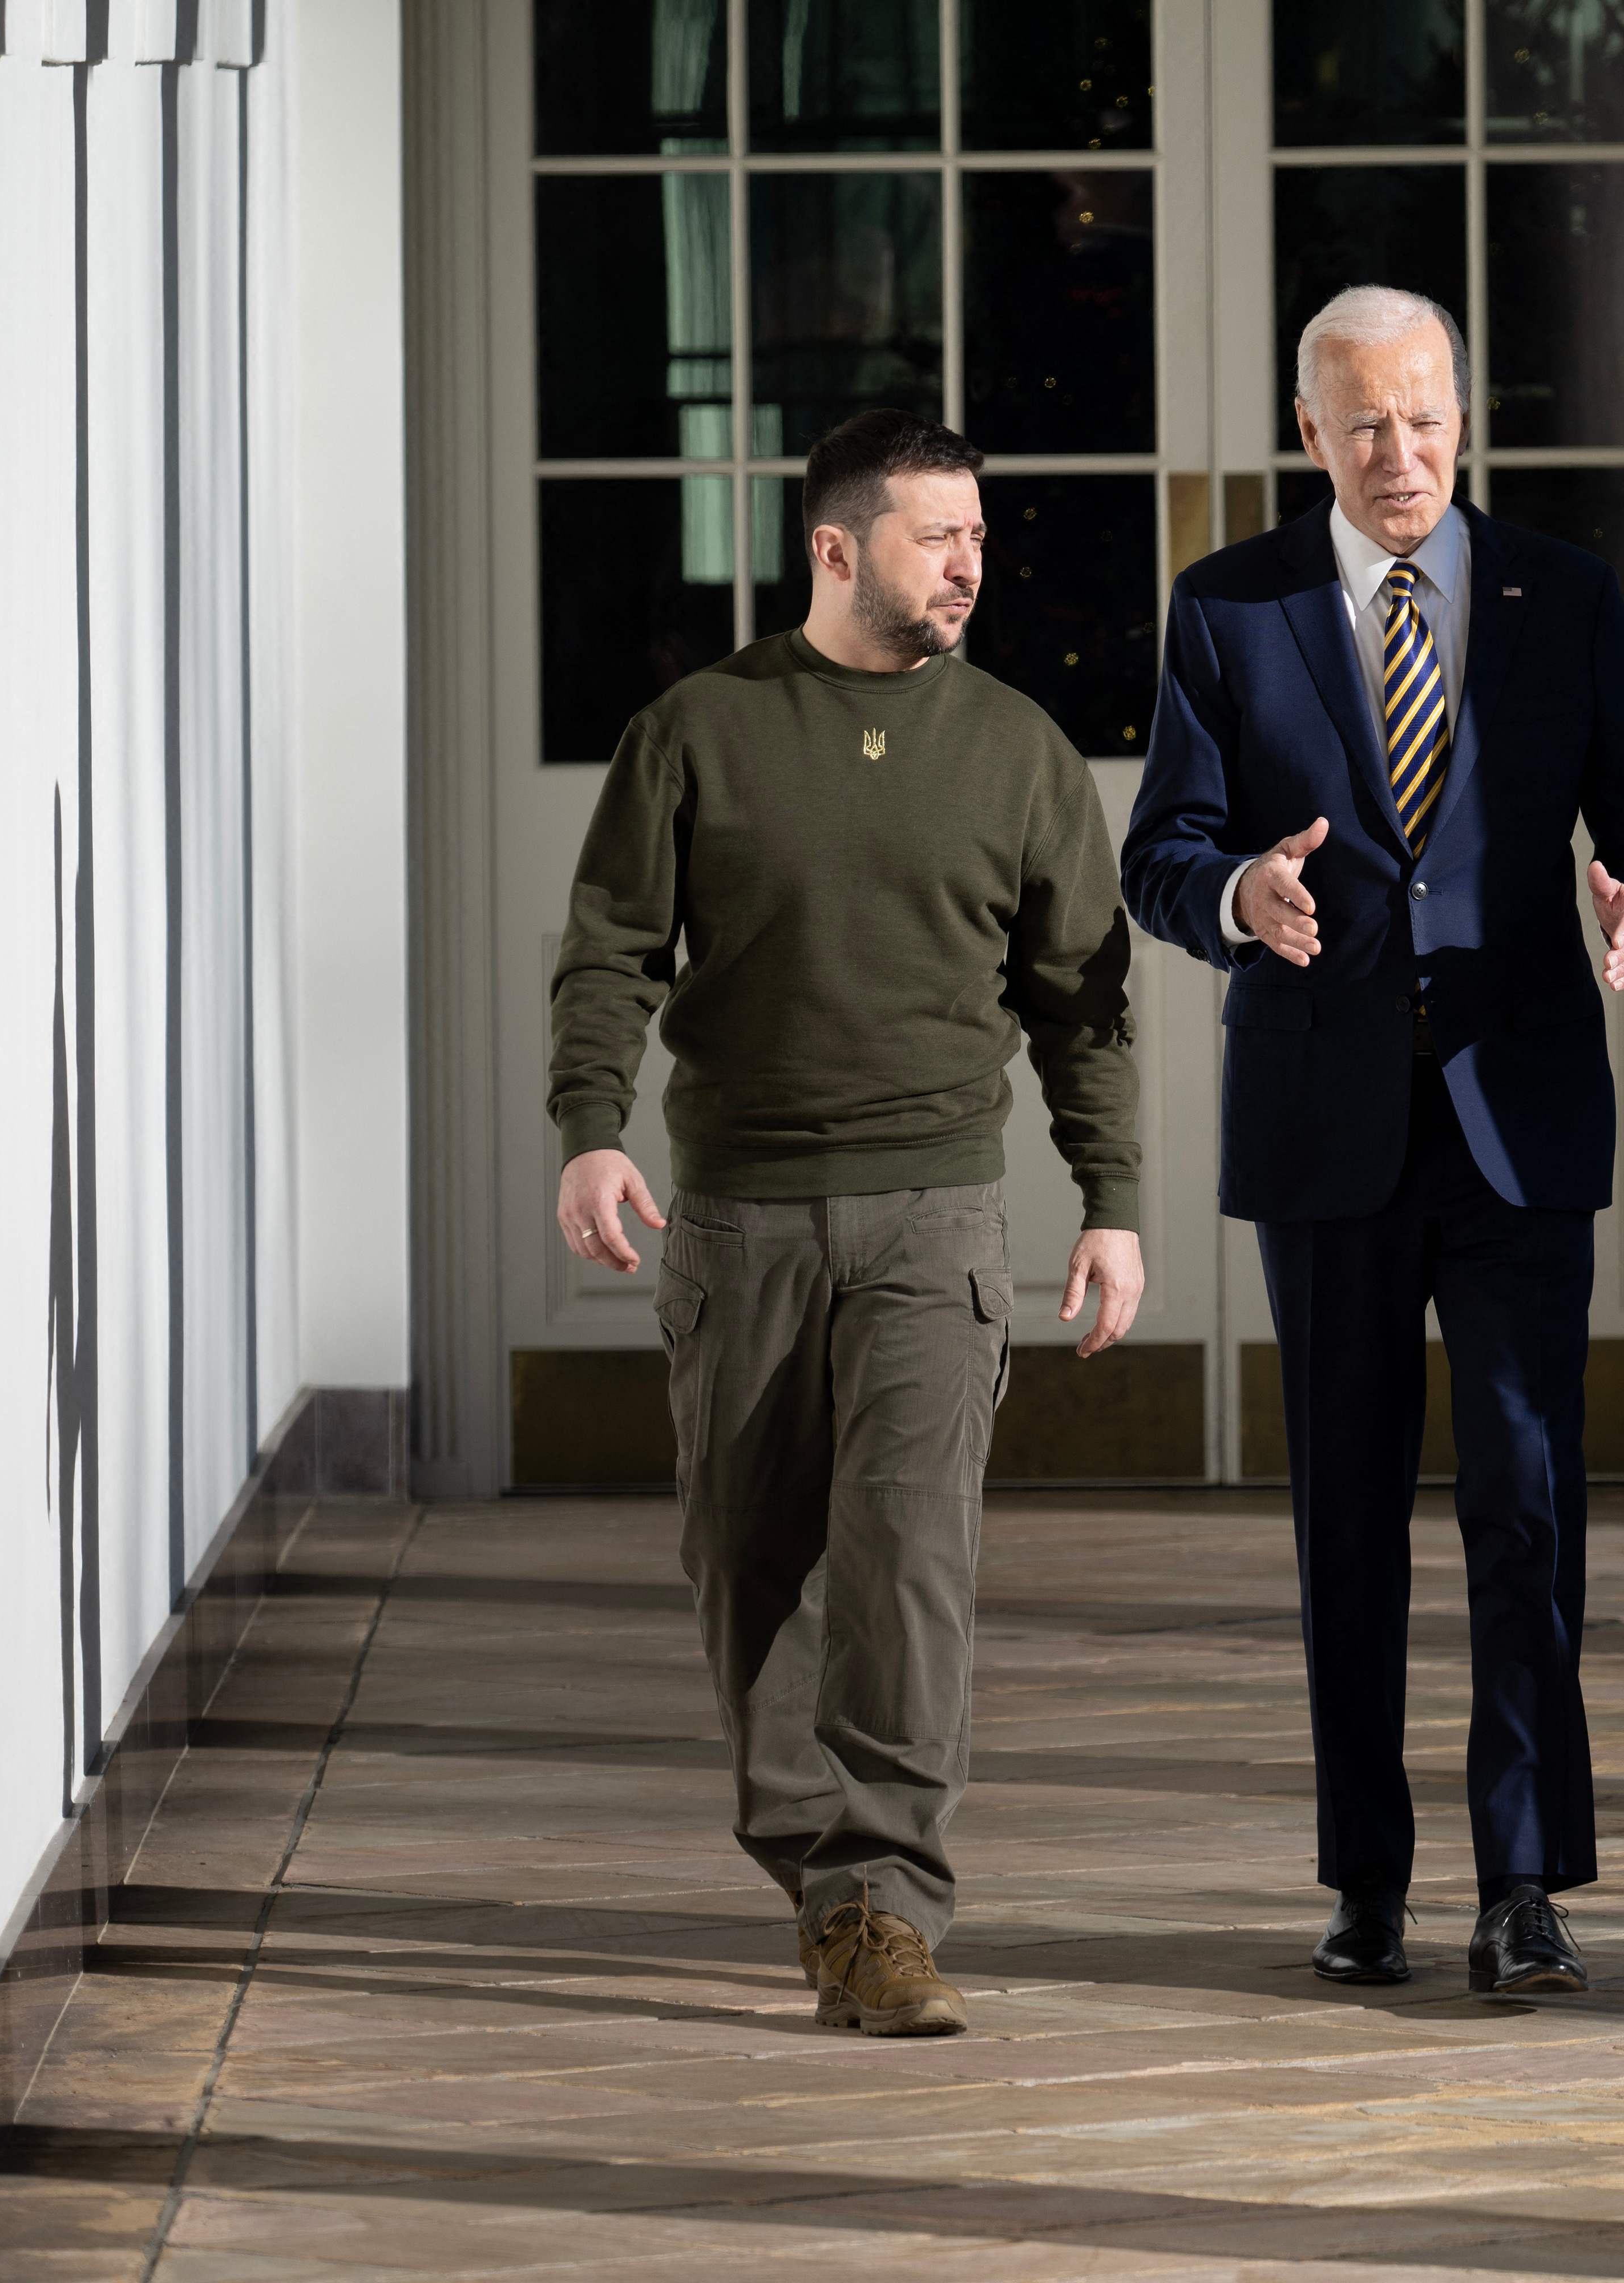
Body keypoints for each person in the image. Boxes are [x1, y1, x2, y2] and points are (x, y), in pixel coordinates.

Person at [1124, 287, 1624, 1996]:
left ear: (1466, 415)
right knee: (1349, 1517)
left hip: (1519, 1120)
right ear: (1309, 431)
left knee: (1527, 1505)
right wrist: (1240, 891)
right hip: (1327, 1125)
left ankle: (1523, 1887)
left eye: (1428, 414)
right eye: (1366, 421)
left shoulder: (1562, 594)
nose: (1402, 452)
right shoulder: (1229, 608)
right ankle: (1364, 1883)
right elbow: (1161, 851)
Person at [547, 408, 1146, 2039]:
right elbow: (611, 953)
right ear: (834, 548)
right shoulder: (696, 733)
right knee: (749, 1570)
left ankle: (884, 1900)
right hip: (736, 1222)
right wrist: (591, 1131)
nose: (969, 565)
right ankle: (824, 1880)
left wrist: (1112, 1201)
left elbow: (1084, 1001)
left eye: (977, 536)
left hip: (937, 1221)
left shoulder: (1019, 751)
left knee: (908, 1565)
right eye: (935, 536)